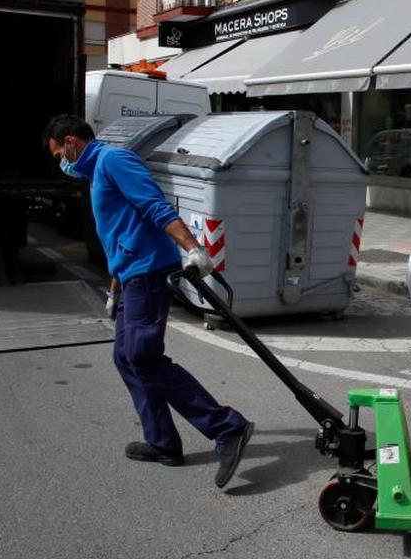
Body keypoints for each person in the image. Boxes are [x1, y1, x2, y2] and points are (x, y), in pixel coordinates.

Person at [44, 114, 254, 488]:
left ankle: (228, 427)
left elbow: (153, 206)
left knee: (142, 355)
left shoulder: (113, 161)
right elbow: (120, 234)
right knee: (125, 357)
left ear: (72, 142)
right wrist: (114, 287)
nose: (61, 162)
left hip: (148, 273)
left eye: (60, 153)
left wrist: (193, 248)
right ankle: (163, 444)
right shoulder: (96, 173)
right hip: (129, 277)